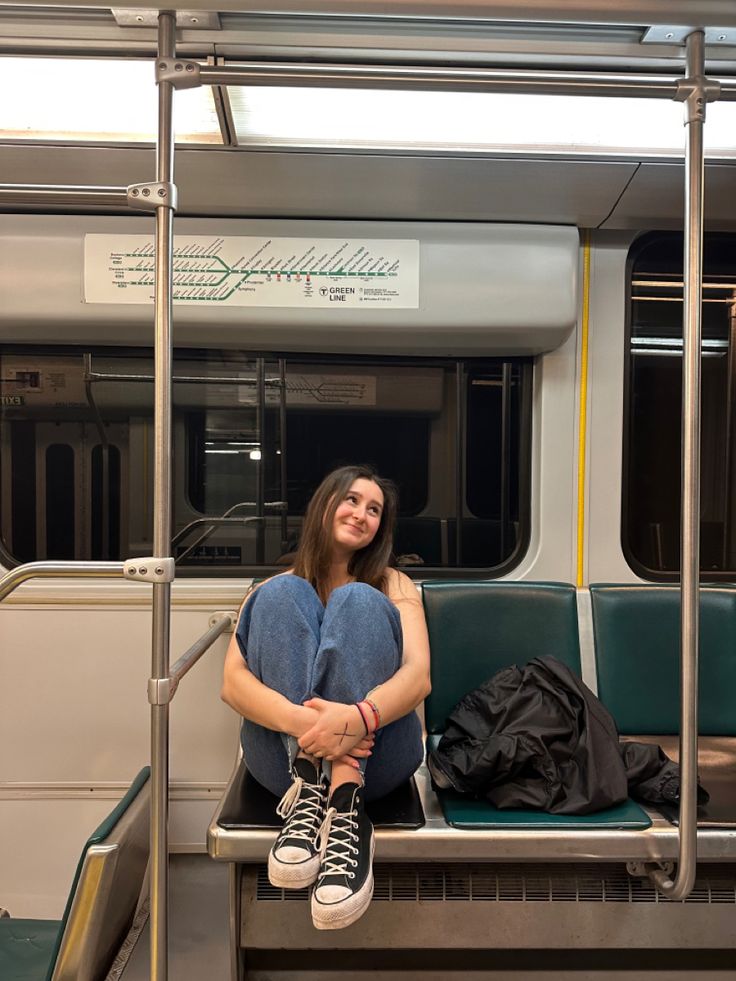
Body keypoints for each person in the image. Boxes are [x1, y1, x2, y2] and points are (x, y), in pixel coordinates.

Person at [221, 464, 431, 930]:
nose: (361, 514)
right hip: (285, 763)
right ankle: (313, 789)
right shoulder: (273, 591)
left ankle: (347, 805)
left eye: (374, 509)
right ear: (325, 504)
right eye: (352, 500)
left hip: (376, 755)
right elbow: (232, 684)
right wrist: (312, 730)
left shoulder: (392, 584)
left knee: (356, 600)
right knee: (281, 592)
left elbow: (418, 678)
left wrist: (356, 719)